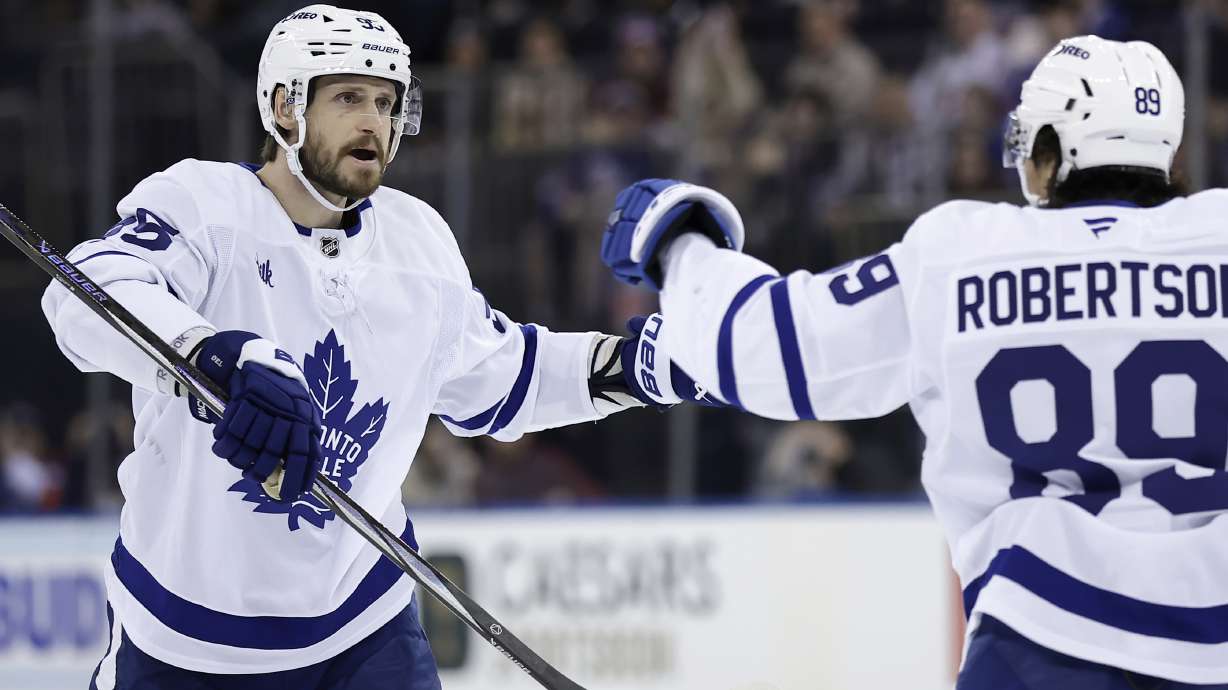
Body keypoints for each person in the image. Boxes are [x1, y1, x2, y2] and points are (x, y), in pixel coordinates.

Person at [41, 6, 709, 689]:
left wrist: (641, 367)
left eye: (388, 103)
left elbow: (502, 378)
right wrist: (212, 354)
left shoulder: (416, 240)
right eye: (349, 98)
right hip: (183, 640)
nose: (374, 122)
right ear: (284, 105)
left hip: (363, 626)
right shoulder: (204, 204)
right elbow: (84, 291)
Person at [600, 36, 1228, 688]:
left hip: (1043, 640)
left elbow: (768, 350)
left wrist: (679, 243)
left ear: (1049, 152)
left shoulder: (964, 252)